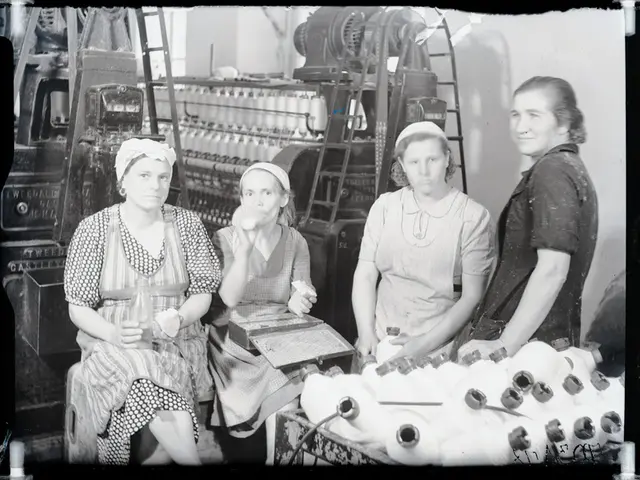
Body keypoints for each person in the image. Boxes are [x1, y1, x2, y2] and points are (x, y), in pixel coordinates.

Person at [63, 138, 221, 466]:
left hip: (176, 340)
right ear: (123, 182)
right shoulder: (94, 229)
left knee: (151, 384)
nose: (156, 185)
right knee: (140, 369)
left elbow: (203, 292)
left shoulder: (187, 225)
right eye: (144, 176)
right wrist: (114, 335)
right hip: (115, 343)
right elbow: (77, 306)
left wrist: (180, 315)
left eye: (163, 177)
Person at [453, 76, 599, 360]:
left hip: (522, 346)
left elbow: (553, 268)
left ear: (564, 123)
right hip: (541, 342)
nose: (521, 127)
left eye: (534, 115)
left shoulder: (552, 171)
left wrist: (505, 344)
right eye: (516, 115)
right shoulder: (569, 167)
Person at [351, 121, 496, 362]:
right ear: (402, 166)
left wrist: (424, 344)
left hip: (437, 347)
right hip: (378, 341)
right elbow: (365, 274)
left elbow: (472, 296)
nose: (424, 170)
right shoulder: (385, 207)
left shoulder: (472, 216)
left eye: (433, 159)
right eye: (414, 162)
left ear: (447, 159)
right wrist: (365, 332)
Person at [207, 162, 316, 465]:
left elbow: (302, 287)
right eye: (249, 193)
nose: (257, 201)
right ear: (241, 200)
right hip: (234, 339)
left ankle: (275, 457)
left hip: (277, 336)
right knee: (281, 378)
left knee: (297, 380)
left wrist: (300, 298)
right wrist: (245, 247)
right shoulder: (225, 238)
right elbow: (228, 297)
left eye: (266, 192)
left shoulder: (296, 241)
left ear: (283, 199)